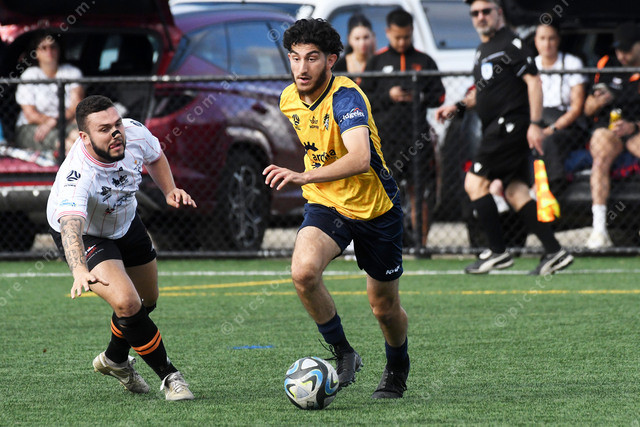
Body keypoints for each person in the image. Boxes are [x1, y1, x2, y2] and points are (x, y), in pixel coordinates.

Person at [263, 18, 410, 399]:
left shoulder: (347, 97)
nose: (301, 68)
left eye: (312, 58)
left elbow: (360, 158)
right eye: (295, 57)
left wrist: (303, 176)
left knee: (383, 307)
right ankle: (344, 352)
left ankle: (397, 366)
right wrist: (312, 180)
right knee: (303, 273)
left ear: (331, 60)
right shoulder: (288, 99)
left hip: (375, 208)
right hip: (326, 202)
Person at [46, 95, 196, 401]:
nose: (116, 132)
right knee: (127, 303)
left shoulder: (135, 132)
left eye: (117, 124)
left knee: (147, 300)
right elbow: (71, 226)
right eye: (104, 129)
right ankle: (170, 377)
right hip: (88, 235)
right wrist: (79, 270)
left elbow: (155, 156)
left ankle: (114, 359)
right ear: (84, 137)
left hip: (126, 221)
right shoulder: (78, 174)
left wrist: (170, 190)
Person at [435, 0, 573, 275]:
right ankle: (554, 251)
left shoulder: (511, 43)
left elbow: (534, 81)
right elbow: (483, 92)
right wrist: (457, 107)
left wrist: (535, 124)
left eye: (486, 11)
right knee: (514, 191)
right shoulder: (483, 49)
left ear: (499, 12)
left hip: (509, 127)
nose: (480, 16)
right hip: (497, 128)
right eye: (475, 13)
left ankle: (498, 252)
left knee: (474, 183)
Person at [360, 8, 445, 247]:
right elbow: (364, 98)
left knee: (420, 192)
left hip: (417, 139)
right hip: (386, 140)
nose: (401, 42)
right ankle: (386, 243)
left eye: (406, 37)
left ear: (412, 32)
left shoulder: (424, 61)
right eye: (397, 37)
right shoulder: (377, 61)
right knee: (385, 191)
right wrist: (389, 95)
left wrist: (419, 96)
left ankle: (421, 244)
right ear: (387, 32)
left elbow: (439, 95)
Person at [582, 22, 640, 249]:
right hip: (611, 130)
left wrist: (633, 126)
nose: (621, 55)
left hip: (636, 130)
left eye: (627, 49)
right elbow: (587, 109)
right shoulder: (606, 64)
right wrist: (598, 102)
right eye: (618, 49)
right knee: (600, 155)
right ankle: (599, 230)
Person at [534, 22, 587, 194]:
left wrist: (552, 128)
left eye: (551, 38)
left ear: (558, 40)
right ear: (535, 41)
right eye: (542, 38)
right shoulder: (530, 66)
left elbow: (576, 108)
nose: (547, 44)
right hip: (538, 122)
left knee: (549, 141)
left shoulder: (572, 63)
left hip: (567, 125)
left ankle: (553, 187)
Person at [15, 31, 84, 155]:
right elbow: (30, 114)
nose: (49, 51)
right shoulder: (29, 76)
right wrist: (49, 122)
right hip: (33, 126)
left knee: (79, 135)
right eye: (44, 48)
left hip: (65, 122)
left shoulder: (71, 72)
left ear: (59, 50)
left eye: (53, 47)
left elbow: (76, 105)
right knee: (62, 142)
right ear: (36, 53)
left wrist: (54, 121)